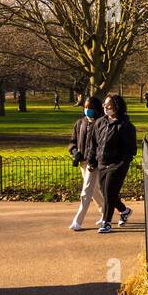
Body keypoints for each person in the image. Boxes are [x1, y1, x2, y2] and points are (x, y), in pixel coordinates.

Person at [91, 94, 138, 234]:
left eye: (109, 105)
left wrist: (121, 164)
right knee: (106, 193)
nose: (105, 108)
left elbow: (131, 150)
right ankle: (124, 210)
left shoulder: (125, 126)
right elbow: (94, 144)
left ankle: (106, 222)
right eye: (104, 105)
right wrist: (92, 160)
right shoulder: (99, 123)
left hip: (116, 165)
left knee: (109, 191)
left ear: (117, 107)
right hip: (102, 163)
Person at [67, 96, 105, 230]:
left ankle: (78, 221)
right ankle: (107, 213)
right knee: (94, 191)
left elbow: (100, 145)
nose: (87, 110)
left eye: (90, 108)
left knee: (86, 191)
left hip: (93, 162)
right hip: (82, 162)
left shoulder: (101, 123)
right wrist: (75, 152)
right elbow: (72, 142)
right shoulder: (80, 123)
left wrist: (93, 160)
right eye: (86, 107)